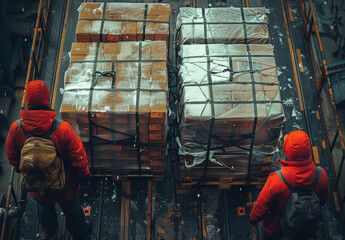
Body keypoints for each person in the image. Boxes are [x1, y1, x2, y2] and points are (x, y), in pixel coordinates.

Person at [5, 80, 92, 240]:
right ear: (47, 100)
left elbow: (12, 157)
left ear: (28, 102)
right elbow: (79, 157)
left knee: (45, 211)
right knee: (72, 211)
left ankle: (51, 233)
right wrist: (84, 176)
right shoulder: (63, 129)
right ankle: (79, 232)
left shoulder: (16, 129)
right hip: (65, 186)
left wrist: (28, 169)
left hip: (38, 188)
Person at [250, 130, 330, 240]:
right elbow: (323, 200)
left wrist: (253, 219)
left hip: (276, 228)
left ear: (287, 150)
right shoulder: (321, 175)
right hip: (306, 225)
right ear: (308, 150)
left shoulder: (276, 180)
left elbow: (261, 206)